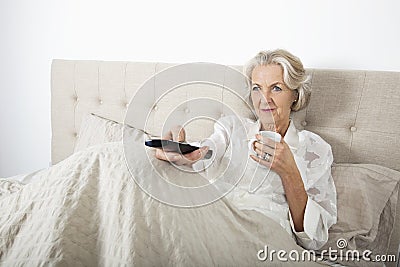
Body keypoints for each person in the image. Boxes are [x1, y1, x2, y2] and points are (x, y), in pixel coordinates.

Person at [155, 49, 337, 250]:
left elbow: (315, 238)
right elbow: (207, 151)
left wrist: (289, 172)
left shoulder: (315, 149)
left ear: (295, 94)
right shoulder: (232, 127)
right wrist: (180, 151)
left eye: (276, 88)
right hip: (215, 221)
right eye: (257, 88)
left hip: (264, 239)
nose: (264, 99)